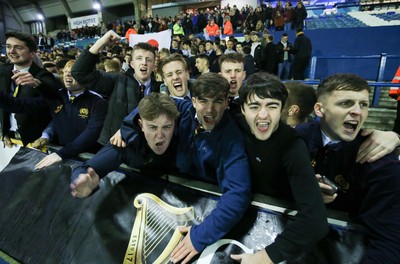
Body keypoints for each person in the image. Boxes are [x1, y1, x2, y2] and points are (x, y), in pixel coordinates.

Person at [119, 73, 252, 264]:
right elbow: (148, 108)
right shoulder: (183, 108)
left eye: (217, 101)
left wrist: (200, 237)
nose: (210, 109)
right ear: (194, 101)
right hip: (176, 191)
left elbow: (238, 194)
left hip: (205, 202)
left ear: (226, 103)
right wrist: (127, 127)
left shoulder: (232, 140)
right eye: (204, 101)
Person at [296, 73, 400, 262]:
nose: (357, 112)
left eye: (364, 104)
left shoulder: (382, 164)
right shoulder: (297, 139)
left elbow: (390, 244)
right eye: (346, 103)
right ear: (319, 109)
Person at [230, 72, 328, 263]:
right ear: (242, 109)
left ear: (283, 108)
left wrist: (265, 257)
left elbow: (315, 221)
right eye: (255, 106)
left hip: (275, 230)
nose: (263, 114)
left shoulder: (293, 147)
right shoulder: (233, 123)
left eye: (272, 106)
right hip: (240, 219)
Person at [70, 93, 179, 198]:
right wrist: (83, 182)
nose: (160, 136)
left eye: (166, 127)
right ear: (141, 125)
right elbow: (85, 168)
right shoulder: (125, 142)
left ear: (175, 123)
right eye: (152, 127)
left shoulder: (185, 131)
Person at [71, 30, 161, 146]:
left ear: (154, 65)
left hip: (144, 150)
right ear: (132, 64)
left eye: (148, 60)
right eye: (139, 58)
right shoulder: (117, 80)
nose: (144, 63)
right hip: (113, 146)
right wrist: (102, 41)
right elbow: (80, 72)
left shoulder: (161, 90)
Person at [33, 60, 107, 170]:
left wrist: (62, 153)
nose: (67, 75)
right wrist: (46, 135)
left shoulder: (98, 101)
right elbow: (57, 119)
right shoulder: (59, 95)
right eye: (65, 71)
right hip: (62, 157)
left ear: (85, 76)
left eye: (73, 72)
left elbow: (91, 134)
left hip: (88, 159)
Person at [0, 31, 59, 147]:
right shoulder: (2, 72)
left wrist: (37, 84)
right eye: (8, 46)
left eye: (18, 48)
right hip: (10, 140)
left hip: (36, 144)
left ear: (32, 54)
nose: (11, 51)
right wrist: (4, 130)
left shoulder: (43, 76)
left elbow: (53, 98)